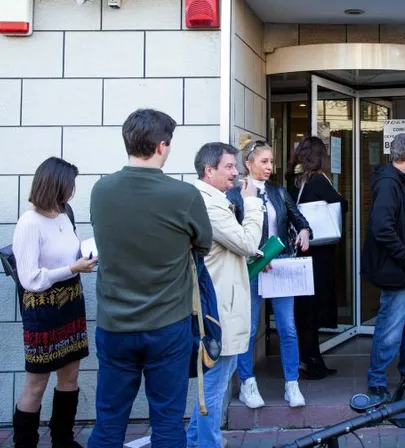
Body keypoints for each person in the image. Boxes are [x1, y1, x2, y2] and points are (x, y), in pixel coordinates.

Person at [88, 109, 213, 448]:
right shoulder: (183, 195)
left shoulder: (101, 190)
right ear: (161, 146)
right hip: (167, 325)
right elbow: (203, 243)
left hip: (114, 324)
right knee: (168, 424)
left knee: (109, 422)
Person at [11, 157, 96, 448]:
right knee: (37, 383)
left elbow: (67, 253)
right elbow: (30, 279)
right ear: (55, 184)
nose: (72, 192)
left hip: (71, 303)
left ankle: (63, 439)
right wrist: (72, 269)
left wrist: (84, 258)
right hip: (43, 311)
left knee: (70, 374)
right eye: (69, 185)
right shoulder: (28, 223)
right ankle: (25, 443)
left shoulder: (64, 213)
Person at [187, 143, 264, 448]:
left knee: (219, 380)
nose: (236, 173)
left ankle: (195, 439)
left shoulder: (211, 200)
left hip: (225, 306)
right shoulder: (209, 205)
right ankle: (209, 443)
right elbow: (245, 243)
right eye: (230, 167)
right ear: (209, 170)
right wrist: (253, 204)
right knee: (216, 385)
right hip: (220, 311)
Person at [229, 137, 311, 409]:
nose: (269, 166)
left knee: (287, 328)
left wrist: (303, 231)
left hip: (280, 267)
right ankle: (247, 383)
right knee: (249, 329)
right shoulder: (235, 193)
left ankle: (292, 384)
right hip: (251, 268)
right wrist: (253, 253)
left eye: (271, 161)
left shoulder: (278, 191)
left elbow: (299, 218)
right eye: (264, 161)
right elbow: (233, 234)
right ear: (248, 163)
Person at [359, 133, 405, 408]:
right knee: (390, 330)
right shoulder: (389, 184)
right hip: (400, 273)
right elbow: (381, 228)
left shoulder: (404, 182)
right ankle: (377, 383)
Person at [286, 136, 348, 380]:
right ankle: (312, 361)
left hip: (301, 249)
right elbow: (339, 206)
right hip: (319, 251)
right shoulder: (319, 180)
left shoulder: (292, 181)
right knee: (315, 304)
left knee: (304, 307)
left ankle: (307, 357)